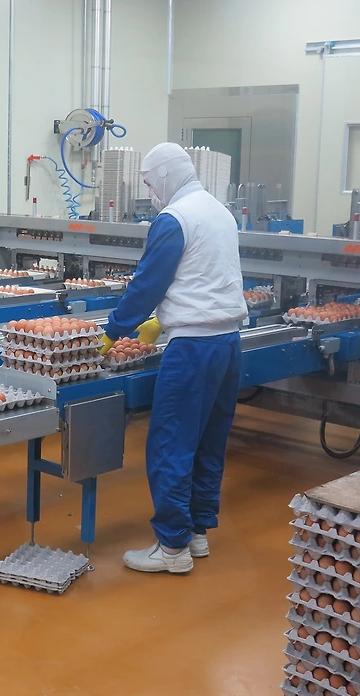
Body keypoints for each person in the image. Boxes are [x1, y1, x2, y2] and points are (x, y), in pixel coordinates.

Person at [98, 142, 248, 575]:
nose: (150, 193)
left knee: (171, 444)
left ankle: (172, 547)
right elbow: (204, 277)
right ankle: (197, 532)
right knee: (207, 442)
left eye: (150, 183)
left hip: (193, 349)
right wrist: (159, 323)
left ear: (164, 175)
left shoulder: (174, 218)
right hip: (227, 343)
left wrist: (112, 332)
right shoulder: (220, 212)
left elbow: (147, 285)